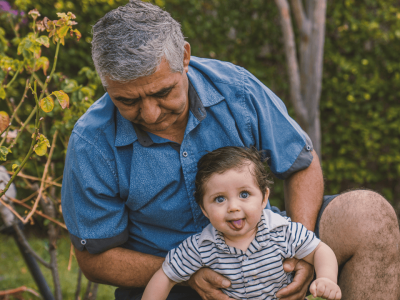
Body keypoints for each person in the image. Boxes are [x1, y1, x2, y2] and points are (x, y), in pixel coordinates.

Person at [61, 1, 400, 299]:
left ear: (185, 57)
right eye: (127, 100)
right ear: (107, 84)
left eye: (163, 92)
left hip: (269, 248)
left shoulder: (236, 88)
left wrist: (301, 251)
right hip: (171, 281)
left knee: (367, 215)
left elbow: (300, 164)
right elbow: (95, 258)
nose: (150, 113)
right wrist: (187, 273)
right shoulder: (91, 142)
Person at [142, 147, 342, 300]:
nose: (233, 207)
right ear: (204, 208)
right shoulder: (202, 246)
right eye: (219, 199)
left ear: (264, 198)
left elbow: (319, 250)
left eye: (244, 194)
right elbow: (166, 275)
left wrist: (326, 278)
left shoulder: (281, 231)